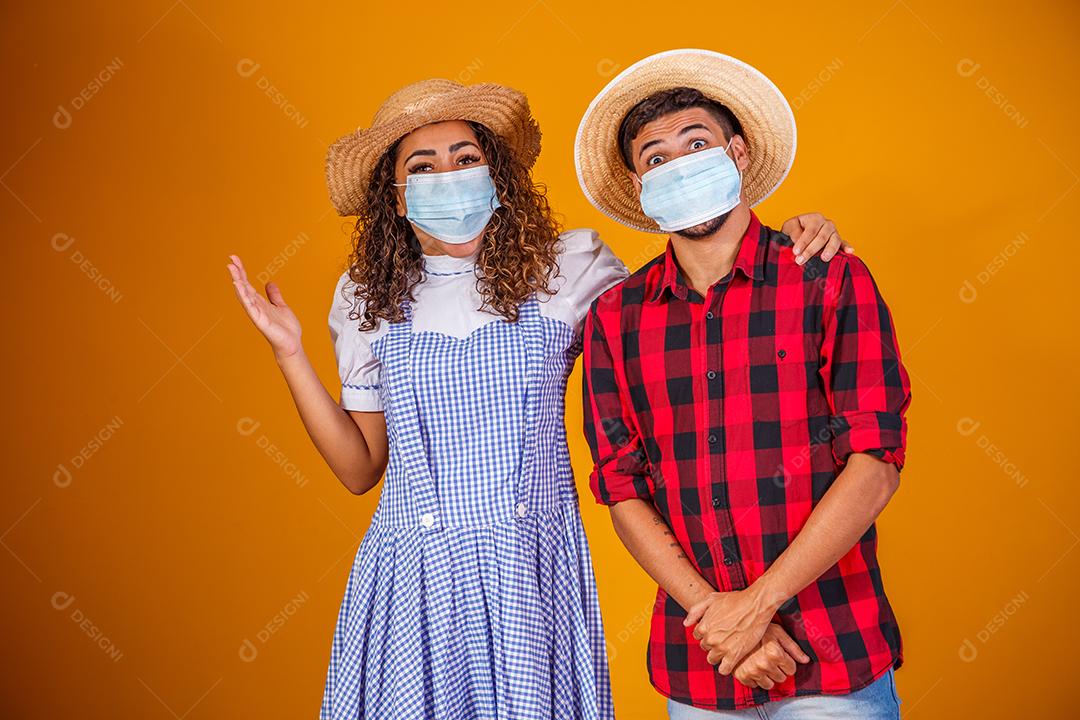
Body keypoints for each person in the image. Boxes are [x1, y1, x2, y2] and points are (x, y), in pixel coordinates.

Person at [227, 77, 850, 719]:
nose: (449, 174)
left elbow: (691, 294)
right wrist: (289, 353)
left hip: (531, 568)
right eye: (424, 165)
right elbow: (359, 471)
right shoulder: (367, 297)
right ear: (396, 193)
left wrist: (795, 232)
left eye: (466, 158)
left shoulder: (569, 267)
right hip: (412, 575)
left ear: (495, 173)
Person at [577, 50, 911, 719]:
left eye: (695, 144)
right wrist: (718, 620)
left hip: (831, 657)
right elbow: (622, 486)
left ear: (737, 152)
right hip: (703, 665)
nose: (678, 164)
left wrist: (755, 607)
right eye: (656, 158)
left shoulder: (830, 279)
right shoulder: (615, 319)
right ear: (641, 189)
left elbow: (874, 462)